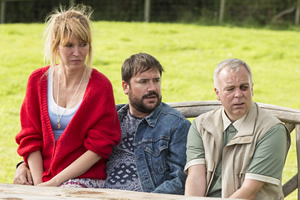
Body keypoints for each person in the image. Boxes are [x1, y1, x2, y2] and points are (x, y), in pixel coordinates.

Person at [14, 53, 191, 194]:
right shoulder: (110, 117)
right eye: (143, 82)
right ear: (125, 87)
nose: (152, 88)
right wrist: (23, 165)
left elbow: (180, 180)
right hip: (98, 193)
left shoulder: (175, 125)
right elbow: (68, 151)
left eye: (156, 80)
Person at [15, 5, 121, 188]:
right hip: (42, 176)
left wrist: (54, 183)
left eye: (83, 44)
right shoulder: (37, 81)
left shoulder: (100, 87)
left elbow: (98, 147)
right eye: (69, 45)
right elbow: (30, 137)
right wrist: (39, 184)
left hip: (84, 178)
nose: (77, 53)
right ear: (56, 45)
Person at [184, 58, 290, 200]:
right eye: (230, 89)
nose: (238, 94)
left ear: (252, 89)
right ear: (217, 93)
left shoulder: (272, 130)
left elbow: (249, 192)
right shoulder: (201, 125)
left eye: (244, 87)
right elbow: (195, 178)